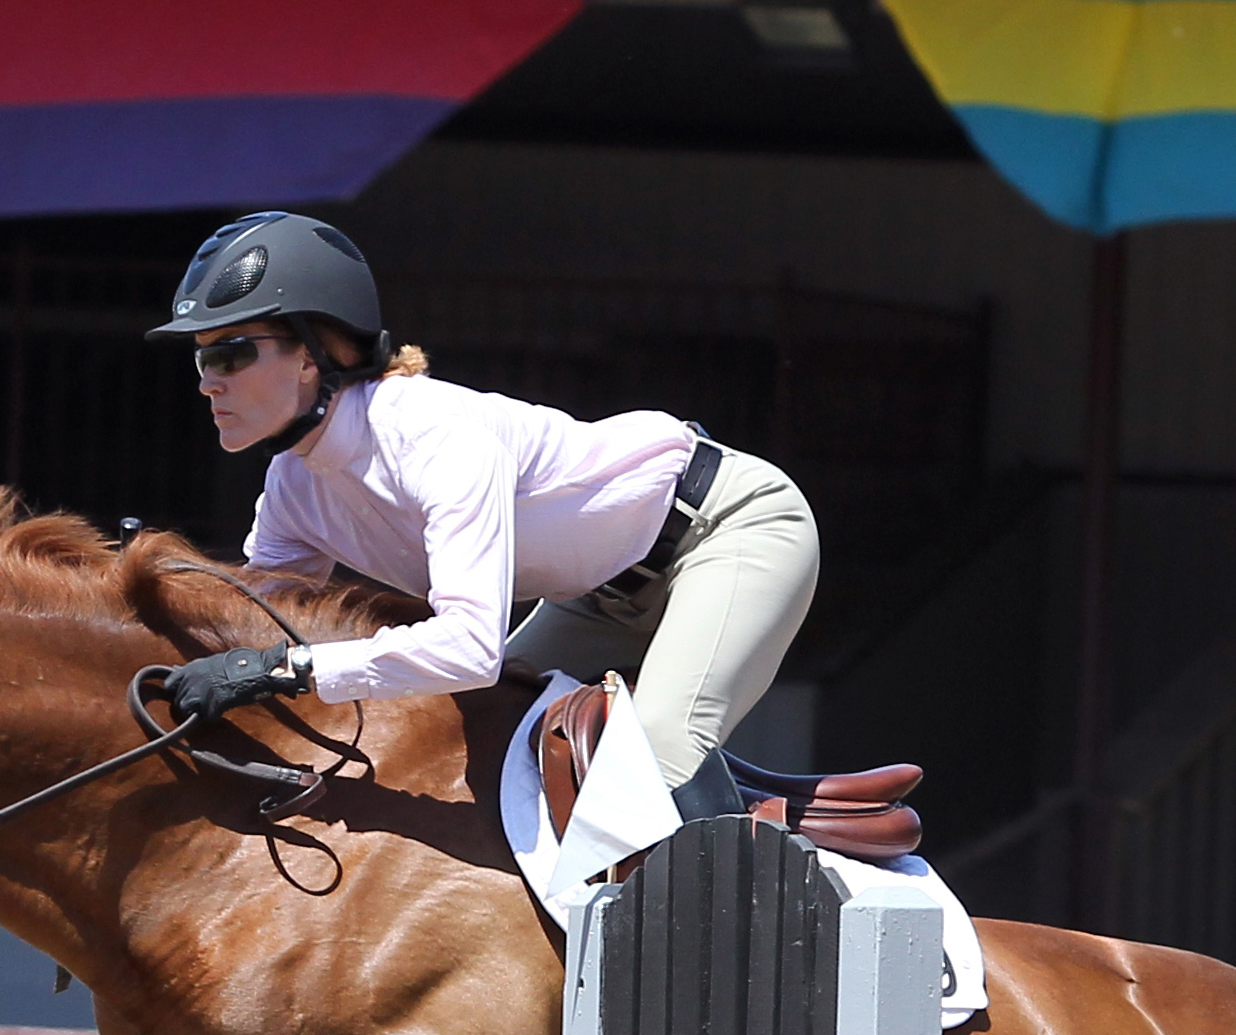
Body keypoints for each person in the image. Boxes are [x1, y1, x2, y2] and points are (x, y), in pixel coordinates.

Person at [148, 211, 819, 814]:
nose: (208, 378)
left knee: (658, 756)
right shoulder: (293, 483)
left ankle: (752, 929)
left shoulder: (431, 433)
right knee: (487, 738)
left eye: (231, 353)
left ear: (311, 355)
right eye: (204, 356)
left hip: (726, 528)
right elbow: (257, 624)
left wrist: (289, 670)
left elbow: (471, 648)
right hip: (594, 595)